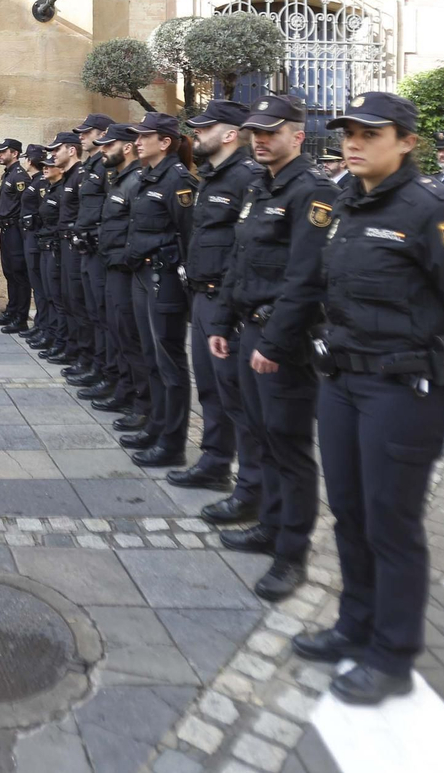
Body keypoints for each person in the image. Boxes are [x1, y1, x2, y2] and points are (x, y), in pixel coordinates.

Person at [293, 92, 444, 704]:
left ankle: (392, 654)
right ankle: (353, 625)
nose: (353, 142)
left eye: (371, 132)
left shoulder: (431, 214)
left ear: (407, 140)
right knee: (350, 514)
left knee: (391, 523)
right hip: (342, 384)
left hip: (404, 390)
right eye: (347, 132)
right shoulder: (344, 204)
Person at [206, 94, 337, 602]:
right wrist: (221, 320)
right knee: (259, 435)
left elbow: (307, 277)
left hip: (280, 338)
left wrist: (278, 342)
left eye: (272, 132)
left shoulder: (312, 192)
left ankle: (291, 553)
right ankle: (269, 522)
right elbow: (239, 262)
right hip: (247, 330)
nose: (261, 140)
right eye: (256, 133)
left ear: (298, 136)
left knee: (289, 446)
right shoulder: (260, 186)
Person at [175, 100, 266, 526]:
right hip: (203, 297)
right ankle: (214, 462)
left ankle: (250, 487)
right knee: (210, 388)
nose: (197, 134)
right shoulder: (211, 176)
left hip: (225, 302)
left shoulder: (248, 178)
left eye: (205, 128)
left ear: (229, 134)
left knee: (237, 397)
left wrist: (231, 305)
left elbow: (246, 248)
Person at [122, 112, 194, 467]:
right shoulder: (147, 176)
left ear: (165, 142)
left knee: (169, 362)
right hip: (143, 275)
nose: (137, 141)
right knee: (150, 356)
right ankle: (156, 424)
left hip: (163, 278)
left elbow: (187, 235)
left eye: (144, 136)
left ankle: (173, 442)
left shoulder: (177, 181)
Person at [93, 123, 150, 419]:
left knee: (132, 337)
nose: (102, 150)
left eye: (108, 145)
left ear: (126, 147)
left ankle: (142, 405)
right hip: (112, 266)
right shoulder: (119, 179)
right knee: (119, 333)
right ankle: (126, 390)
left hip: (127, 270)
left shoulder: (136, 181)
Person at [70, 115, 120, 404]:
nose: (81, 137)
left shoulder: (106, 167)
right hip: (85, 247)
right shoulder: (90, 166)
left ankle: (109, 374)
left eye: (87, 132)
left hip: (100, 249)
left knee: (104, 316)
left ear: (104, 134)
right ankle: (98, 367)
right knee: (92, 312)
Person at [48, 131, 92, 378]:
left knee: (78, 303)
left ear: (72, 150)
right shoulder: (69, 177)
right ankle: (76, 351)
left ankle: (84, 358)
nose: (53, 154)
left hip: (75, 247)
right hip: (64, 245)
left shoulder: (81, 176)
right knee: (68, 300)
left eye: (57, 149)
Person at [34, 143, 70, 362]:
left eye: (50, 164)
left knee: (58, 298)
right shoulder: (50, 188)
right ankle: (50, 333)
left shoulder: (63, 189)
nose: (45, 168)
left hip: (56, 247)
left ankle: (60, 340)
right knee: (48, 293)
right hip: (46, 245)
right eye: (44, 165)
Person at [0, 138, 32, 331]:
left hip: (15, 230)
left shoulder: (19, 176)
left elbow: (26, 206)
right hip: (6, 229)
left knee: (18, 274)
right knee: (9, 273)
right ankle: (11, 310)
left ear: (14, 153)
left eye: (3, 151)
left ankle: (20, 317)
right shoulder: (8, 174)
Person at [19, 143, 52, 344]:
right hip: (30, 235)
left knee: (41, 287)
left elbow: (43, 212)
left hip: (35, 236)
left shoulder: (41, 183)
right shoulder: (35, 181)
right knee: (37, 285)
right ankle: (40, 324)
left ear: (30, 160)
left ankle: (44, 326)